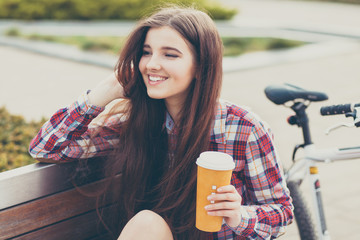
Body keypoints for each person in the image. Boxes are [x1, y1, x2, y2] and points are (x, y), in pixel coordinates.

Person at [29, 6, 293, 240]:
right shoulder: (135, 122)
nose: (152, 64)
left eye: (170, 55)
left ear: (201, 66)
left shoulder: (243, 128)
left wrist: (238, 215)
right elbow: (47, 148)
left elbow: (281, 213)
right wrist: (103, 92)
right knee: (148, 223)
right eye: (146, 52)